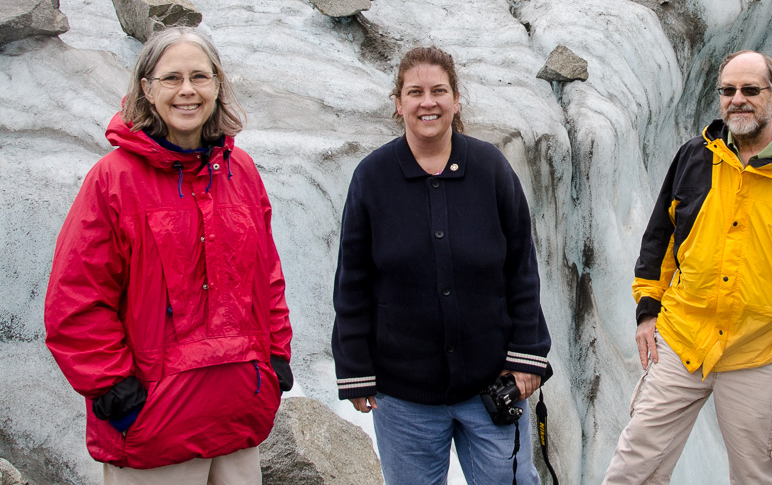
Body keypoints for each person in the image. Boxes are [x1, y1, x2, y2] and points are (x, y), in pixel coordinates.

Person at [44, 26, 293, 485]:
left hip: (238, 412)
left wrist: (275, 355)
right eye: (171, 78)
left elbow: (267, 275)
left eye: (200, 77)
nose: (187, 91)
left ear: (217, 85)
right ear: (146, 88)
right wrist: (113, 387)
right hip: (155, 428)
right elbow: (76, 299)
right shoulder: (113, 180)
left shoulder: (241, 171)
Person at [603, 50, 772, 485]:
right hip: (682, 343)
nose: (738, 99)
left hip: (759, 353)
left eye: (751, 90)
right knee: (633, 468)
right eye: (728, 90)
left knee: (753, 477)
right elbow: (660, 239)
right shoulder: (695, 156)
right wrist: (647, 311)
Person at [332, 45, 552, 485]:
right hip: (404, 396)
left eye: (438, 91)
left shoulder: (490, 168)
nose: (427, 102)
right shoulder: (373, 177)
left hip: (491, 384)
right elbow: (353, 278)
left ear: (456, 100)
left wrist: (528, 357)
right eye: (415, 92)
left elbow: (521, 269)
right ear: (398, 104)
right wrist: (355, 368)